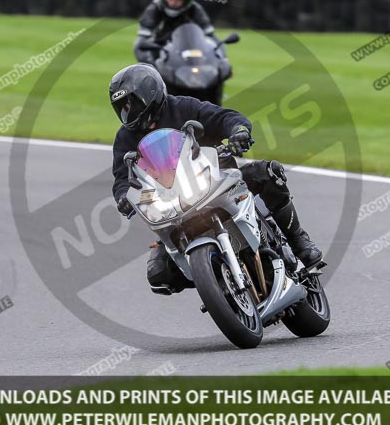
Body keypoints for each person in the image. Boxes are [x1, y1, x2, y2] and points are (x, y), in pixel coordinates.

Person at [109, 63, 323, 295]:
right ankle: (213, 279)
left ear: (150, 95)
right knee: (159, 274)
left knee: (268, 173)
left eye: (132, 104)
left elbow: (225, 117)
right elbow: (122, 176)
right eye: (121, 107)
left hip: (218, 180)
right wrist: (123, 197)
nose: (127, 112)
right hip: (174, 203)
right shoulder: (125, 138)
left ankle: (299, 241)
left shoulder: (184, 107)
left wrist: (238, 131)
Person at [134, 0, 214, 64]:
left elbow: (210, 37)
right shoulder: (154, 9)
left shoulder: (195, 9)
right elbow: (142, 41)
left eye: (178, 0)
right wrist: (151, 64)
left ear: (186, 0)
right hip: (160, 50)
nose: (174, 3)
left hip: (189, 51)